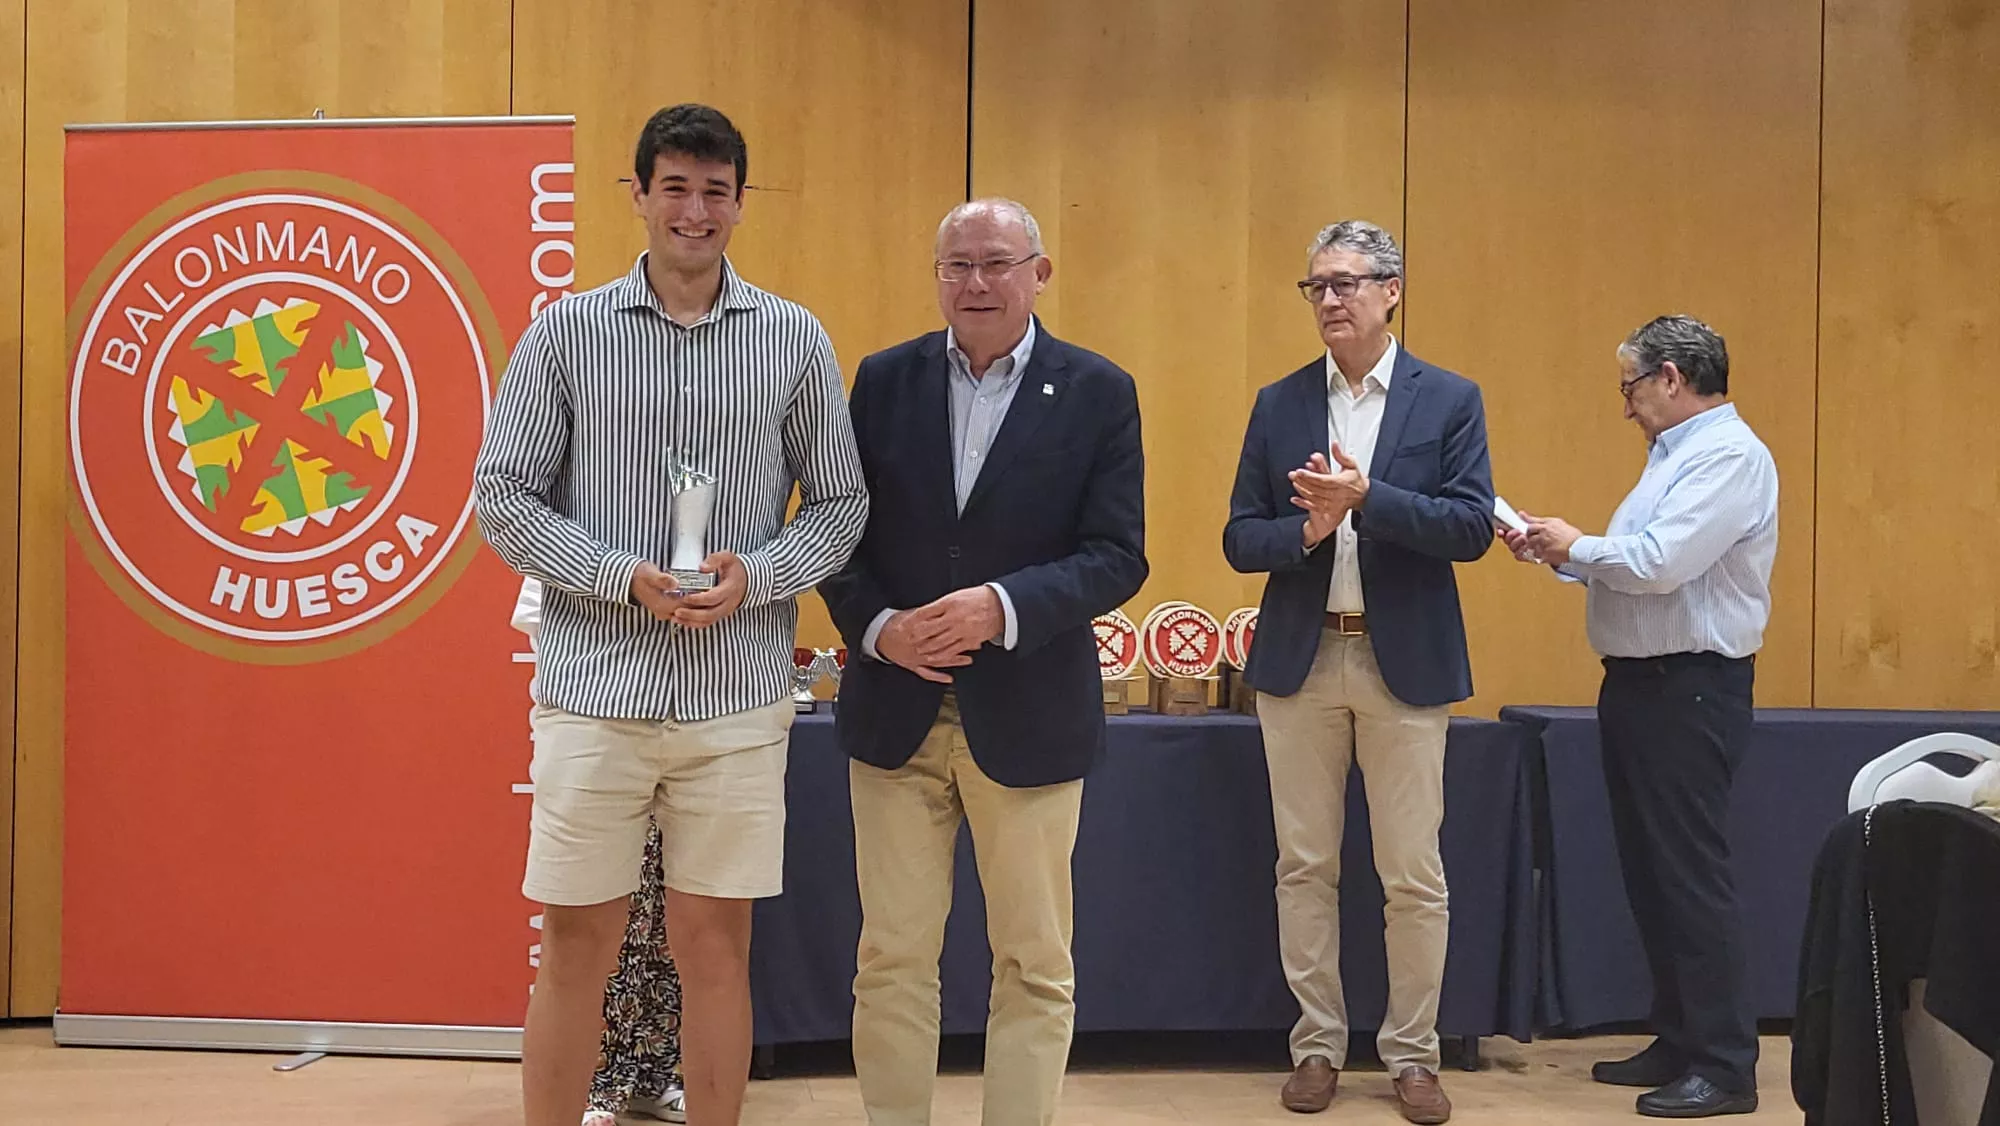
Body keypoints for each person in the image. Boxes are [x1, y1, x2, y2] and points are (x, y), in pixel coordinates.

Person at [473, 104, 868, 1126]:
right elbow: (503, 496)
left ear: (740, 202)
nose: (696, 210)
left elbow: (840, 504)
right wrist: (617, 574)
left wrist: (759, 575)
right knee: (575, 943)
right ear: (639, 195)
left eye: (715, 191)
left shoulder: (793, 339)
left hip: (735, 698)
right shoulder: (565, 332)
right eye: (676, 188)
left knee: (716, 948)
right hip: (595, 690)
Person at [820, 198, 1148, 1126]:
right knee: (890, 958)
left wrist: (1001, 606)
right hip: (896, 711)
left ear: (1039, 273)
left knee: (1034, 962)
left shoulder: (1099, 391)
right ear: (936, 276)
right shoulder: (883, 381)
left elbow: (1117, 555)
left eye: (997, 263)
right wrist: (880, 627)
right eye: (957, 265)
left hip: (1031, 715)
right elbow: (836, 531)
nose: (976, 282)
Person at [1223, 220, 1493, 1124]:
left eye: (1348, 283)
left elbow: (1469, 527)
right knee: (1304, 866)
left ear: (1392, 292)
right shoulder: (1280, 403)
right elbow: (1239, 538)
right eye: (1318, 287)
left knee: (1412, 873)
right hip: (1303, 658)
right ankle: (1317, 1046)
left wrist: (1370, 498)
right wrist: (1306, 530)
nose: (1331, 300)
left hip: (1402, 660)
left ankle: (1413, 1055)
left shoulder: (1448, 399)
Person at [1498, 314, 1775, 1118]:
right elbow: (1639, 567)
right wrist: (1559, 554)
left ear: (1671, 378)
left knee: (1688, 877)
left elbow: (1657, 565)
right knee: (1652, 875)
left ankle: (1724, 1065)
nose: (1625, 406)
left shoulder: (1728, 457)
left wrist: (1577, 545)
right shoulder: (1673, 457)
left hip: (1690, 687)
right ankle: (1680, 1037)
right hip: (1641, 683)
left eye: (1630, 387)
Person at [512, 578, 689, 1126]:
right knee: (593, 934)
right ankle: (598, 1084)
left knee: (676, 929)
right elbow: (537, 620)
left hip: (700, 722)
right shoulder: (575, 534)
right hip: (599, 720)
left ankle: (655, 1072)